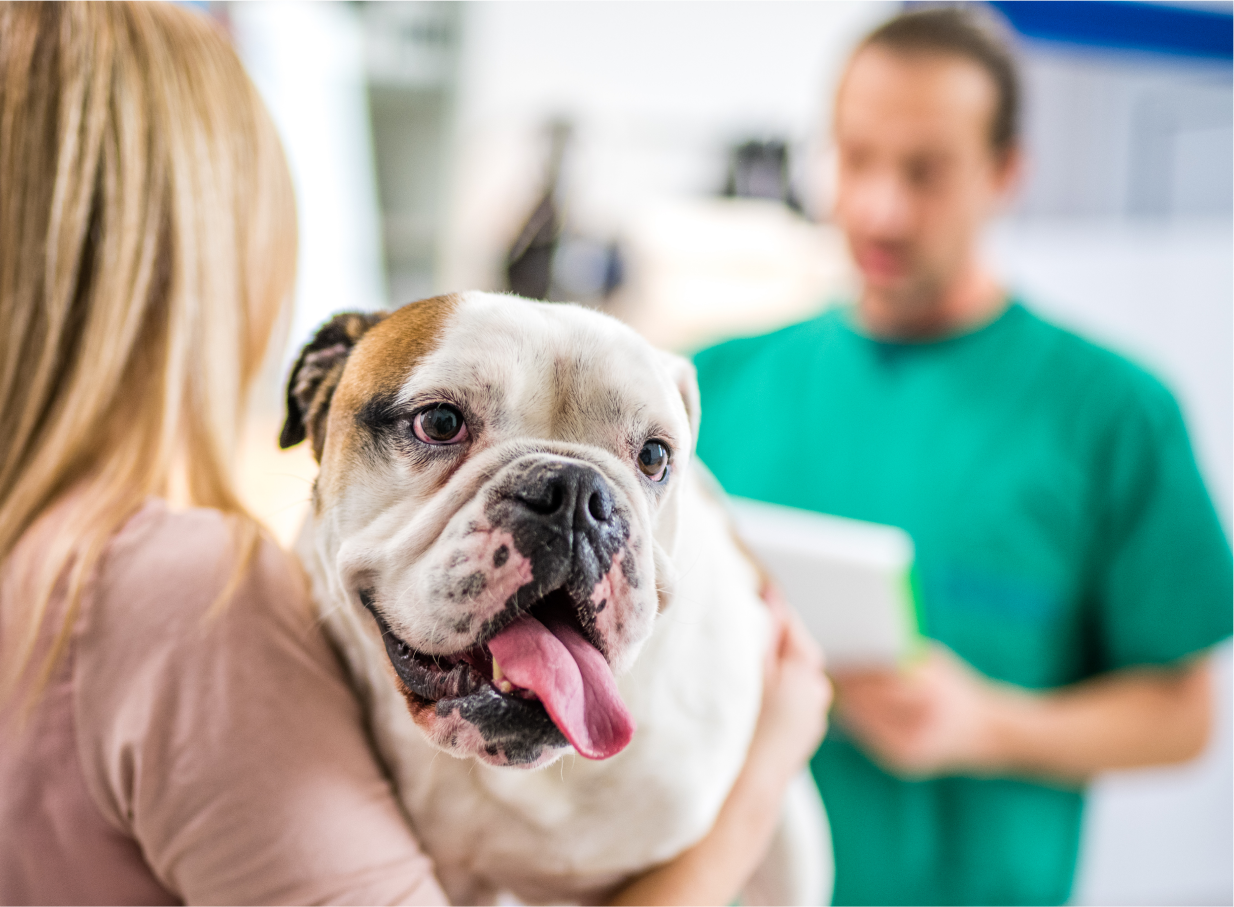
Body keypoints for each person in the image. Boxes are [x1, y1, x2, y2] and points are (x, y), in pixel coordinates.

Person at [0, 2, 830, 905]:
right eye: (441, 424)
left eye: (650, 460)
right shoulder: (189, 598)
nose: (569, 507)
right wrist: (769, 766)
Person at [693, 7, 1234, 907]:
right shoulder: (713, 386)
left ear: (1006, 171)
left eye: (926, 171)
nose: (880, 207)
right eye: (856, 158)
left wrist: (988, 724)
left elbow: (1182, 718)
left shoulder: (1111, 412)